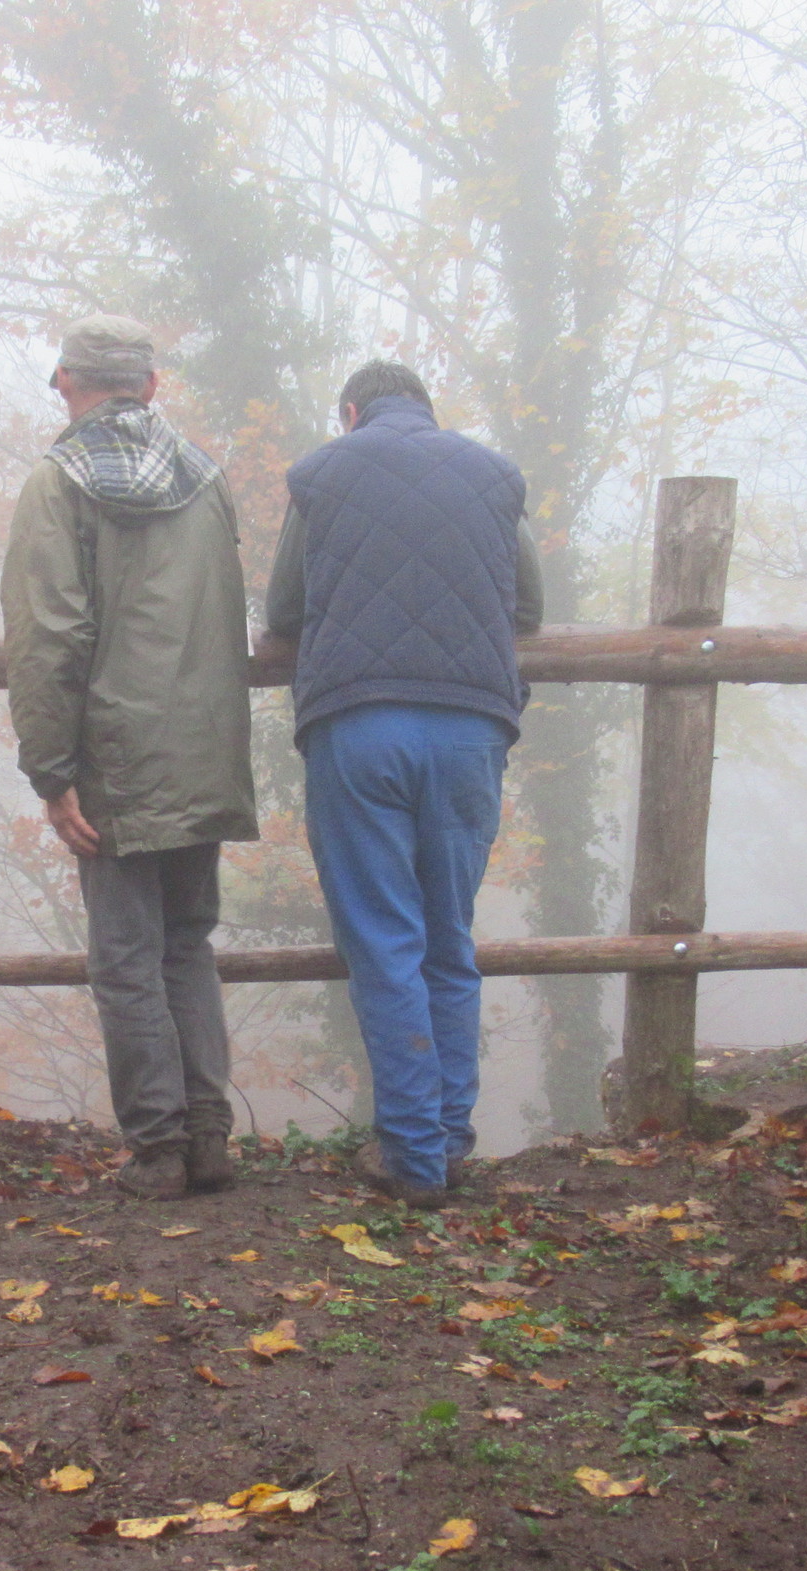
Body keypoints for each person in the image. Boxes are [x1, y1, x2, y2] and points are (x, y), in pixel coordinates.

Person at [265, 360, 544, 1210]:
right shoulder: (494, 475)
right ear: (426, 407)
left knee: (385, 941)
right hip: (471, 728)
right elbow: (530, 608)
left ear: (350, 411)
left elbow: (282, 612)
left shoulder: (321, 472)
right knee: (448, 938)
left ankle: (414, 1159)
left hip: (361, 726)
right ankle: (448, 1142)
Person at [1, 315, 257, 1201]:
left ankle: (158, 1148)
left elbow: (49, 635)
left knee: (124, 957)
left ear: (67, 384)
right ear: (150, 387)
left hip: (113, 756)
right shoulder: (206, 479)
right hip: (203, 748)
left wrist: (51, 771)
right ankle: (208, 1135)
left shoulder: (58, 483)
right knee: (186, 943)